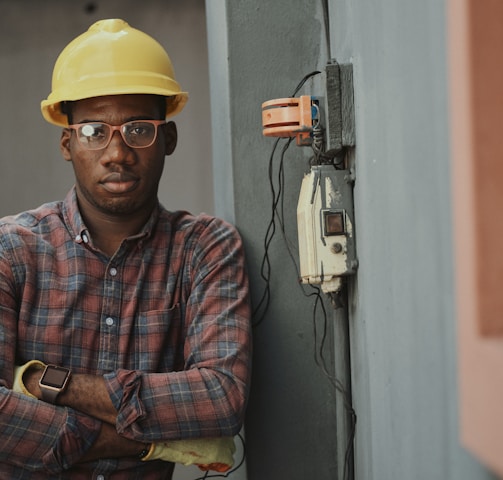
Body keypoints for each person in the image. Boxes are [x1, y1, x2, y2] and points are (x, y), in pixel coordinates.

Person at [0, 19, 251, 479]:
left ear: (168, 139)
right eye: (94, 131)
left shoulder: (204, 249)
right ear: (67, 142)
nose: (117, 153)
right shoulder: (11, 250)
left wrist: (51, 383)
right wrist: (151, 445)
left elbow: (221, 398)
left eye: (138, 130)